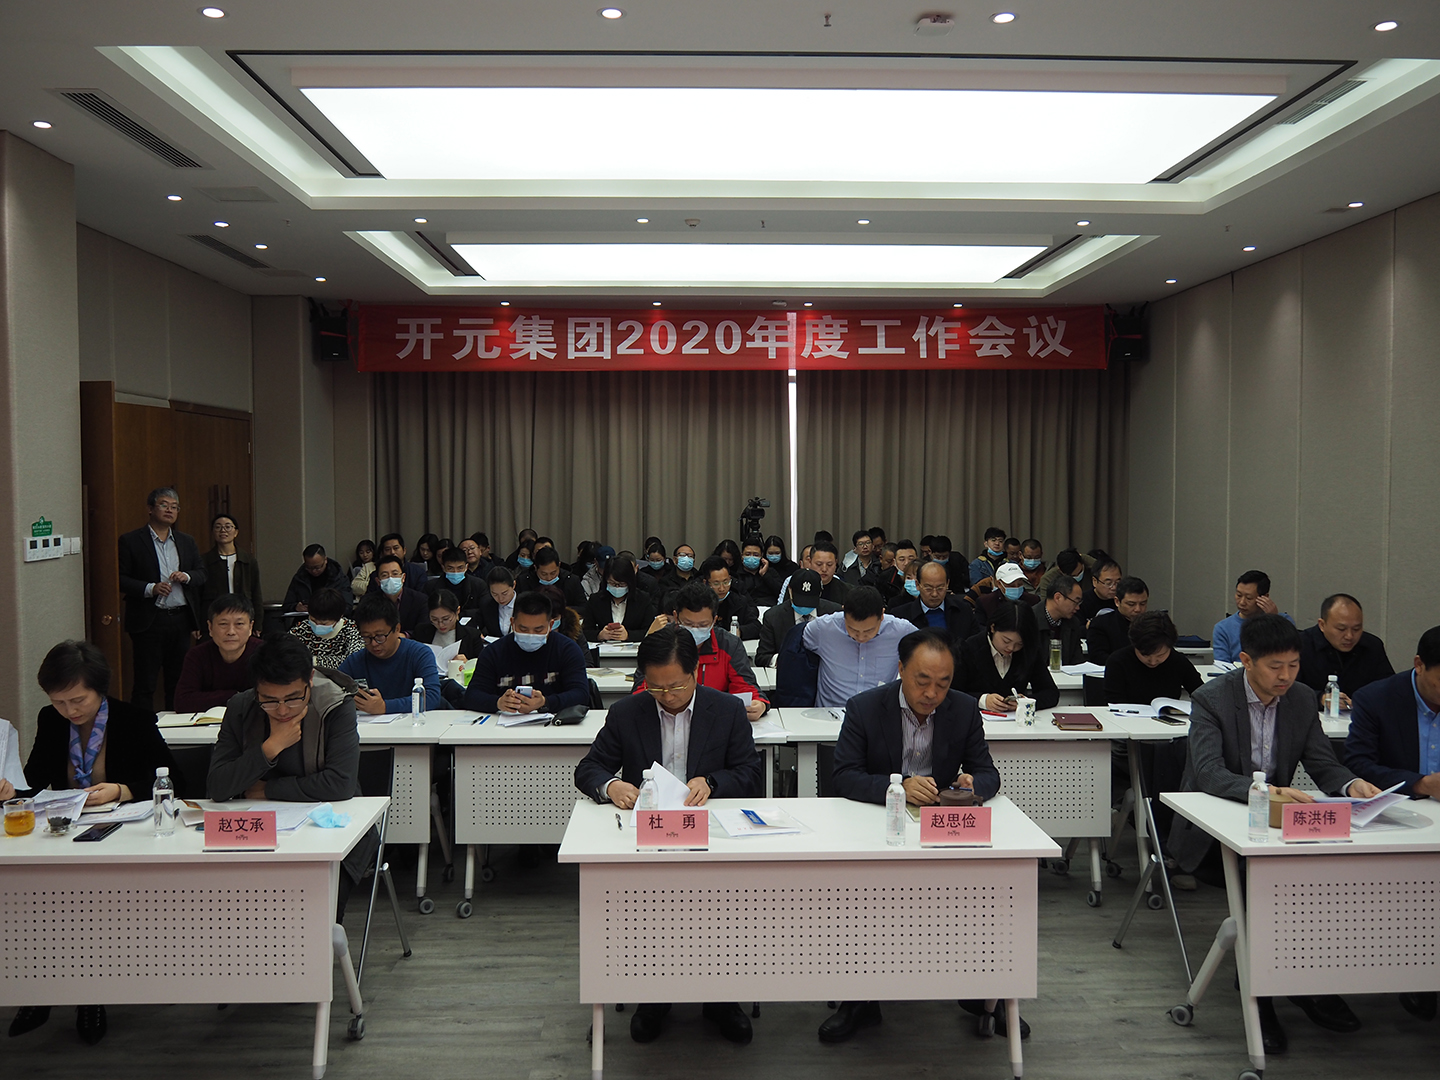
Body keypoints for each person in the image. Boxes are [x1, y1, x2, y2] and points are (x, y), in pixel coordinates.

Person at [1168, 614, 1380, 1053]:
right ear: (1246, 661)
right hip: (1213, 832)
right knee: (1268, 882)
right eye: (1275, 666)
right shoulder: (1212, 698)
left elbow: (1321, 763)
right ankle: (1263, 994)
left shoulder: (1300, 699)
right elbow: (1208, 773)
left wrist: (1350, 785)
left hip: (1276, 826)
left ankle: (1300, 977)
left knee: (1321, 874)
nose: (1286, 676)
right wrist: (1263, 791)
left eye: (1294, 665)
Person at [573, 628, 760, 1046]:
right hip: (649, 837)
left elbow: (750, 772)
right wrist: (611, 786)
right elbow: (588, 769)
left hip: (710, 835)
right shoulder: (628, 712)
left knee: (720, 914)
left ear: (695, 673)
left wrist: (712, 781)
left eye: (676, 686)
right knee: (651, 913)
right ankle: (653, 997)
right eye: (656, 687)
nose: (668, 696)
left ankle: (721, 999)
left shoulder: (725, 709)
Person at [821, 628, 1002, 1044]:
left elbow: (988, 772)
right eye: (922, 681)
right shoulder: (865, 707)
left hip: (940, 831)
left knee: (986, 893)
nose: (932, 693)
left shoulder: (963, 709)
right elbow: (844, 776)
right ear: (901, 669)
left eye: (943, 683)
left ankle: (984, 995)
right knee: (864, 904)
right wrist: (898, 785)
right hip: (877, 829)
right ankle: (860, 1000)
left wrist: (973, 785)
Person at [9, 640, 180, 1044]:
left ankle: (89, 998)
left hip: (120, 835)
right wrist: (11, 790)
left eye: (78, 700)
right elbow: (35, 782)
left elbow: (175, 779)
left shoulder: (133, 719)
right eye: (59, 702)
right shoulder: (50, 720)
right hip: (63, 833)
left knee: (88, 907)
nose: (70, 710)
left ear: (99, 690)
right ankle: (39, 991)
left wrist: (121, 789)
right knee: (36, 902)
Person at [207, 635, 376, 921]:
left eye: (293, 698)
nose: (283, 710)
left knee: (316, 912)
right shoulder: (242, 707)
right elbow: (217, 786)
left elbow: (340, 784)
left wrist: (268, 789)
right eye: (270, 701)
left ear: (310, 679)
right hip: (259, 830)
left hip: (329, 825)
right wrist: (270, 748)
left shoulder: (335, 704)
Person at [117, 486, 206, 709]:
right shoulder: (131, 540)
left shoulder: (186, 541)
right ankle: (142, 726)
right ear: (150, 509)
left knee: (178, 682)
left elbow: (201, 573)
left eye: (175, 507)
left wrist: (186, 576)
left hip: (180, 620)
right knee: (145, 683)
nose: (170, 510)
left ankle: (177, 725)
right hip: (149, 620)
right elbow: (119, 579)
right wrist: (151, 588)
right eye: (164, 505)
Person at [636, 582, 769, 720]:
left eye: (703, 625)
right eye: (688, 624)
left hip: (716, 718)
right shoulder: (658, 642)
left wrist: (758, 704)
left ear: (714, 620)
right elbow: (641, 690)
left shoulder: (729, 645)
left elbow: (745, 687)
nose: (695, 629)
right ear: (676, 617)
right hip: (665, 717)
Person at [1346, 625, 1440, 800]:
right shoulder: (1375, 700)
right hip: (1399, 806)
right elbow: (1358, 765)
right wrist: (1421, 784)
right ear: (1419, 665)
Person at [463, 591, 590, 714]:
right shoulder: (494, 652)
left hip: (555, 722)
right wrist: (498, 702)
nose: (530, 635)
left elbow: (581, 694)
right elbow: (472, 696)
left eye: (538, 630)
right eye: (523, 629)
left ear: (550, 625)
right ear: (513, 623)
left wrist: (545, 702)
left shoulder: (567, 649)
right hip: (505, 722)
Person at [802, 586, 913, 708]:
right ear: (843, 613)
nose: (860, 637)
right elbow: (795, 649)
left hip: (878, 712)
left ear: (882, 615)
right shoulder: (822, 629)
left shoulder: (902, 631)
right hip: (829, 712)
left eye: (869, 631)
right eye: (853, 630)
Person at [338, 595, 443, 715]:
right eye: (366, 637)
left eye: (380, 636)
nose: (374, 643)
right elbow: (332, 692)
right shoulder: (356, 661)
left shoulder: (419, 654)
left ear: (397, 629)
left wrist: (385, 707)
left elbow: (432, 697)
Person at [956, 600, 1059, 712]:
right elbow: (953, 693)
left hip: (1015, 720)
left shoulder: (1027, 651)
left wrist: (1026, 702)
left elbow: (1051, 693)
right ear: (993, 627)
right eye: (1006, 641)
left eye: (1019, 644)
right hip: (978, 718)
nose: (1011, 648)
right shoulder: (968, 649)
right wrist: (982, 700)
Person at [1297, 594, 1394, 706]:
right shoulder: (1299, 645)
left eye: (1356, 629)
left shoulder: (1372, 646)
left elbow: (1389, 688)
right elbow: (1288, 690)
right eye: (1341, 629)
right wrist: (1320, 698)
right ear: (1322, 625)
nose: (1349, 636)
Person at [173, 594, 262, 711]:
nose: (231, 632)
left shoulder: (264, 653)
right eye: (223, 624)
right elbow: (182, 701)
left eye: (239, 624)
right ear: (210, 628)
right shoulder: (197, 655)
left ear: (250, 627)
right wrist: (234, 696)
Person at [1104, 611, 1203, 705]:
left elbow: (1202, 696)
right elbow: (1114, 702)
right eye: (1145, 655)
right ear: (1135, 646)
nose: (1153, 662)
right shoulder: (1118, 662)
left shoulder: (1179, 662)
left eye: (1160, 655)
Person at [756, 569, 840, 668]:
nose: (805, 605)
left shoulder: (834, 613)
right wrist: (782, 659)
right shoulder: (774, 616)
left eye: (810, 600)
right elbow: (761, 657)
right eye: (800, 600)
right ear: (789, 590)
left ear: (820, 593)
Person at [889, 557, 978, 648]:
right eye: (928, 588)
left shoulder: (963, 610)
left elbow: (973, 646)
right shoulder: (900, 615)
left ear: (947, 584)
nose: (934, 594)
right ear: (917, 585)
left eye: (940, 588)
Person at [199, 513, 263, 634]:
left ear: (236, 532)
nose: (223, 530)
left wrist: (258, 622)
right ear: (213, 532)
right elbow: (198, 594)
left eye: (228, 527)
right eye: (218, 527)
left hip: (242, 614)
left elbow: (256, 593)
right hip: (216, 615)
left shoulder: (248, 560)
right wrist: (198, 624)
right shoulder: (204, 561)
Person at [1212, 570, 1293, 664]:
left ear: (1265, 597)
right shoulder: (1223, 628)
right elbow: (1222, 665)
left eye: (1249, 598)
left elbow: (1289, 652)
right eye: (1239, 595)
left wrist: (1274, 621)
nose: (1242, 602)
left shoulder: (1285, 622)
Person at [582, 557, 656, 642]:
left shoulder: (643, 599)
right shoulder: (595, 600)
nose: (617, 587)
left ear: (630, 582)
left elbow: (650, 631)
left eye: (622, 584)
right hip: (604, 648)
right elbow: (585, 631)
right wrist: (600, 635)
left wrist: (628, 635)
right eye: (612, 583)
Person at [288, 587, 364, 670]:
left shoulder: (351, 630)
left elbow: (354, 661)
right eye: (313, 620)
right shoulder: (302, 628)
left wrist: (314, 661)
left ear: (339, 617)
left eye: (324, 623)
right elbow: (285, 651)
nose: (317, 625)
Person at [692, 557, 761, 640]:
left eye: (726, 582)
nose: (722, 588)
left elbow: (756, 626)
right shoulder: (695, 602)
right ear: (705, 583)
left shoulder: (738, 600)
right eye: (716, 584)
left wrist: (739, 631)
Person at [1087, 576, 1150, 666]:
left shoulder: (1152, 625)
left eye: (1143, 604)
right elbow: (1098, 657)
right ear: (1117, 601)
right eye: (1131, 604)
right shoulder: (1100, 624)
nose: (1138, 609)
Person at [413, 589, 487, 661]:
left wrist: (468, 663)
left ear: (457, 611)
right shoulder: (420, 632)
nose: (441, 624)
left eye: (445, 619)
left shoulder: (472, 636)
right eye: (434, 619)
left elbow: (481, 665)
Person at [281, 543, 352, 614]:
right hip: (305, 618)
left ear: (325, 560)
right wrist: (295, 607)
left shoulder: (339, 578)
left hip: (331, 618)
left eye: (317, 567)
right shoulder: (299, 578)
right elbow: (286, 606)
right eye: (309, 568)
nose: (314, 571)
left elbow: (347, 607)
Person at [372, 553, 429, 638]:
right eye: (384, 575)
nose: (390, 578)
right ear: (378, 581)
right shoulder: (369, 601)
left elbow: (425, 629)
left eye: (395, 574)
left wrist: (405, 635)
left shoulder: (420, 600)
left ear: (403, 577)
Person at [1037, 574, 1085, 666]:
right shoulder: (1031, 620)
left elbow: (1077, 661)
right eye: (1075, 602)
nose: (1078, 608)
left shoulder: (1073, 623)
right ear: (1058, 598)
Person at [972, 562, 1042, 624]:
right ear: (999, 584)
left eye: (1020, 584)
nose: (1016, 588)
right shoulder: (985, 602)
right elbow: (981, 628)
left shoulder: (1034, 600)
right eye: (1011, 585)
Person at [520, 544, 587, 607]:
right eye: (544, 574)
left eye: (553, 573)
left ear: (559, 565)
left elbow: (583, 607)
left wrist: (562, 611)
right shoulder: (524, 581)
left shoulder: (572, 581)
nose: (549, 578)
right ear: (535, 568)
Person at [427, 546, 486, 613]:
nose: (455, 572)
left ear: (466, 567)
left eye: (460, 568)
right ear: (443, 567)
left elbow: (483, 610)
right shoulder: (430, 587)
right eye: (450, 568)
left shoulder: (478, 585)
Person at [734, 538, 781, 603]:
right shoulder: (736, 575)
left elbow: (781, 593)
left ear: (761, 556)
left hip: (769, 607)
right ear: (742, 556)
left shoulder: (771, 572)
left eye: (756, 555)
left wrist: (765, 575)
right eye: (747, 554)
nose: (751, 557)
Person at [873, 538, 917, 604]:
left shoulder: (924, 576)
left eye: (911, 559)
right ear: (894, 562)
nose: (906, 563)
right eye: (902, 559)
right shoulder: (884, 578)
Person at [1079, 557, 1122, 623]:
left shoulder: (1123, 600)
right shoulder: (1081, 602)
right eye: (1108, 583)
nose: (1114, 588)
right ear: (1095, 581)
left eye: (1117, 583)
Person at [479, 566, 519, 637]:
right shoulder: (487, 604)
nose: (500, 599)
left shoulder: (525, 604)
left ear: (514, 585)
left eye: (504, 593)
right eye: (495, 594)